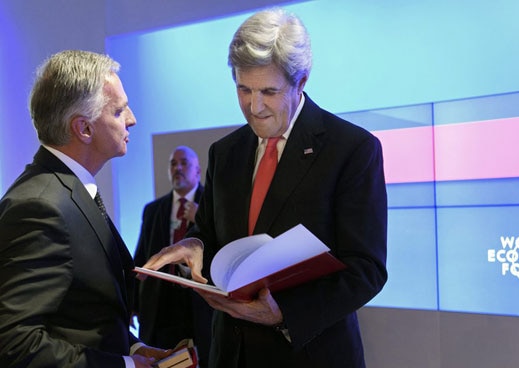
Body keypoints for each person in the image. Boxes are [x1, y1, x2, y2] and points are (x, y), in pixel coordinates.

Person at [143, 7, 388, 368]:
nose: (253, 107)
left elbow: (366, 268)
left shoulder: (351, 149)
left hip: (308, 356)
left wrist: (282, 313)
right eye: (243, 89)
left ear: (301, 81)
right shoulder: (225, 152)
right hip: (230, 354)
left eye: (269, 92)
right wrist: (194, 245)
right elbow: (210, 233)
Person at [0, 50, 169, 368]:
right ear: (84, 129)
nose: (132, 118)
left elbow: (80, 317)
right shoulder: (39, 207)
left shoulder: (68, 190)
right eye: (119, 111)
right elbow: (14, 345)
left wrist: (133, 350)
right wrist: (125, 366)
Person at [133, 146, 213, 365]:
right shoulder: (153, 210)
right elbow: (141, 256)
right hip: (161, 304)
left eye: (184, 163)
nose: (178, 168)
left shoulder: (212, 204)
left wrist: (201, 217)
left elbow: (225, 246)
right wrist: (131, 304)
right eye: (173, 164)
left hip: (199, 303)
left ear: (197, 171)